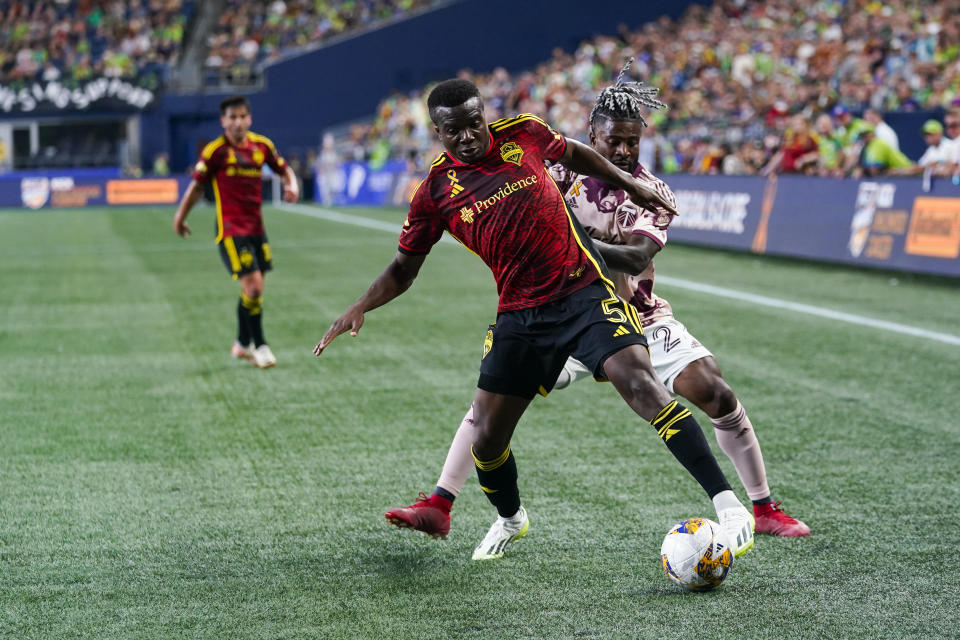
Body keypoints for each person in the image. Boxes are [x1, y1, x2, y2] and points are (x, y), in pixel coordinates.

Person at [314, 78, 755, 561]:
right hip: (520, 315)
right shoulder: (434, 193)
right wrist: (359, 305)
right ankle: (510, 518)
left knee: (641, 384)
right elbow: (403, 269)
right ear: (437, 132)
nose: (467, 136)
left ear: (484, 116)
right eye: (452, 130)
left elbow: (577, 155)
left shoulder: (523, 132)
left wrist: (630, 185)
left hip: (584, 292)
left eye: (473, 124)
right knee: (486, 439)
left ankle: (730, 506)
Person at [173, 95, 299, 368]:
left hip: (256, 228)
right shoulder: (215, 152)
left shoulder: (262, 146)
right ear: (223, 121)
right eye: (232, 117)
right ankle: (260, 346)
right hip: (230, 228)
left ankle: (241, 343)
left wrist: (293, 186)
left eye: (242, 117)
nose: (238, 122)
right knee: (253, 287)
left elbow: (284, 169)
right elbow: (196, 187)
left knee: (255, 289)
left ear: (249, 119)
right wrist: (180, 217)